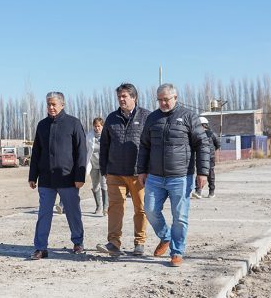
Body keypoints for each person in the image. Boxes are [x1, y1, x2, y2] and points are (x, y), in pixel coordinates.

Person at [137, 83, 210, 267]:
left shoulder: (188, 116)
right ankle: (166, 237)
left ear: (175, 98)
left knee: (180, 217)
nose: (163, 103)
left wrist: (203, 172)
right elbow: (144, 146)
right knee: (151, 210)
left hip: (181, 177)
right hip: (154, 177)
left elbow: (202, 145)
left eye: (166, 99)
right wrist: (142, 170)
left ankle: (177, 252)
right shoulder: (152, 118)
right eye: (160, 100)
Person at [28, 91, 87, 260]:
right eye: (48, 104)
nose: (51, 107)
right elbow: (36, 152)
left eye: (54, 104)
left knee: (72, 212)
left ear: (62, 104)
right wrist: (33, 176)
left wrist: (80, 176)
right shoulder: (42, 125)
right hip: (46, 178)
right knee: (44, 213)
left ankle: (78, 242)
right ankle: (40, 247)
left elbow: (81, 151)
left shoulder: (73, 123)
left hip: (68, 178)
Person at [96, 83, 151, 257]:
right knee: (114, 208)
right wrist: (104, 169)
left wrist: (149, 169)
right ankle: (113, 243)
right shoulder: (111, 118)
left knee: (141, 208)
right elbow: (104, 145)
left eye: (125, 96)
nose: (121, 99)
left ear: (134, 97)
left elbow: (151, 145)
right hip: (115, 172)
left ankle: (139, 242)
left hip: (138, 173)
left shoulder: (146, 117)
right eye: (119, 96)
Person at [192, 117, 220, 198]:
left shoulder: (211, 134)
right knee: (204, 174)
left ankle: (206, 192)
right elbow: (218, 145)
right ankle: (204, 192)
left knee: (205, 174)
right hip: (204, 157)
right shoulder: (198, 134)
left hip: (206, 157)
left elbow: (218, 145)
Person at [86, 117, 108, 215]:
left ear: (102, 126)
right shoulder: (89, 136)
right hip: (93, 164)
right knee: (95, 185)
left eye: (99, 126)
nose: (97, 128)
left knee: (104, 184)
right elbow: (87, 150)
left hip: (104, 165)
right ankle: (98, 206)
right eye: (95, 126)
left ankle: (105, 207)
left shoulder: (107, 135)